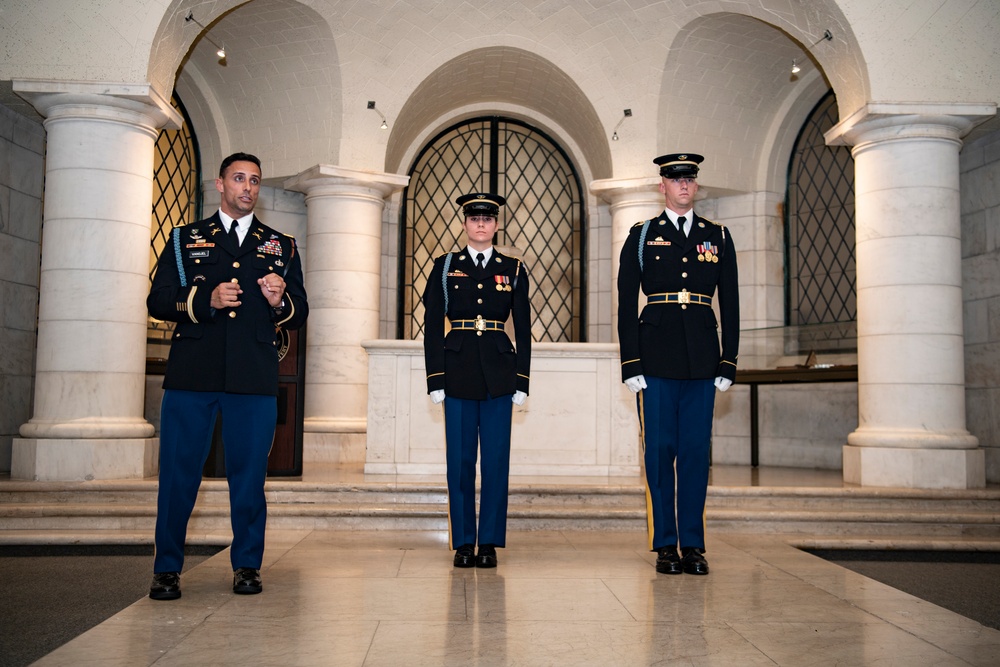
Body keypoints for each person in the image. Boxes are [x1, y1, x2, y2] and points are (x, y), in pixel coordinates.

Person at [146, 152, 308, 599]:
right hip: (192, 375)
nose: (248, 188)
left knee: (249, 477)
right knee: (178, 475)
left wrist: (279, 301)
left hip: (253, 378)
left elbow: (300, 312)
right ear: (220, 184)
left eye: (254, 180)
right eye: (239, 179)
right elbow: (158, 301)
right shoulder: (185, 239)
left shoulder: (281, 244)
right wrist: (205, 299)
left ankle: (248, 566)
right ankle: (166, 569)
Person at [617, 153, 739, 576]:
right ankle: (665, 543)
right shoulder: (642, 235)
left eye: (689, 178)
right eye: (675, 178)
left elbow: (732, 303)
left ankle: (693, 544)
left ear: (696, 185)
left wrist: (729, 360)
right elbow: (625, 302)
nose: (683, 185)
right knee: (660, 452)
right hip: (654, 358)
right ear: (662, 186)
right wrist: (630, 361)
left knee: (693, 454)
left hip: (703, 359)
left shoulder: (718, 236)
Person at [422, 192, 531, 568]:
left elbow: (525, 331)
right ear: (465, 223)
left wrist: (522, 380)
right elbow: (433, 325)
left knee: (497, 462)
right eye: (474, 218)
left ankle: (489, 541)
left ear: (496, 224)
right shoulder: (444, 266)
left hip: (500, 375)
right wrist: (435, 377)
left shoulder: (513, 267)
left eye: (488, 218)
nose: (481, 224)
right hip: (457, 372)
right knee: (461, 461)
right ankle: (464, 541)